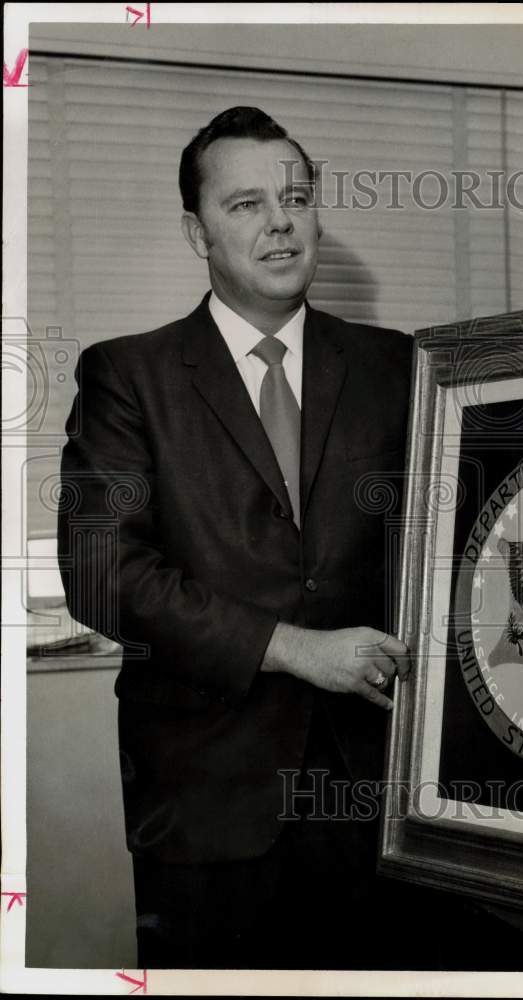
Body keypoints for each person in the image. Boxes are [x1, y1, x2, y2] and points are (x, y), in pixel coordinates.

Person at [57, 106, 422, 970]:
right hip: (207, 804)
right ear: (198, 231)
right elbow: (103, 570)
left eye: (296, 197)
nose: (280, 222)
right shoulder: (129, 375)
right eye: (245, 204)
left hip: (382, 800)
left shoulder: (397, 364)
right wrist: (293, 648)